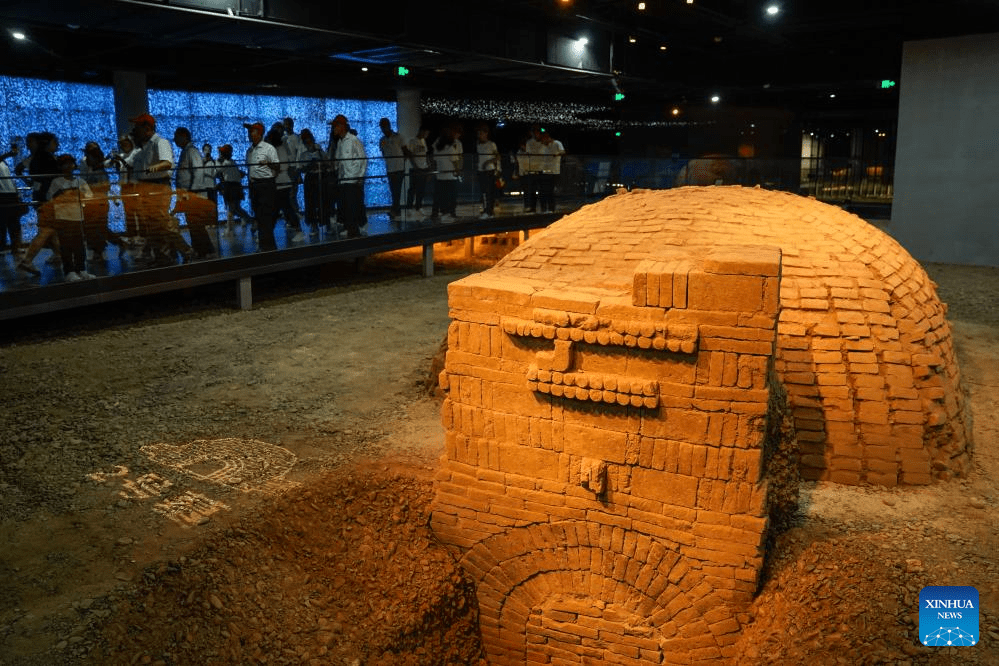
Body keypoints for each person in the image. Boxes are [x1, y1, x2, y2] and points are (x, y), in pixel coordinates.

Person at [130, 113, 190, 265]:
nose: (135, 129)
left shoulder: (160, 142)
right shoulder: (145, 146)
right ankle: (161, 256)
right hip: (148, 187)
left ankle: (186, 250)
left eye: (137, 127)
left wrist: (149, 170)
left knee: (162, 223)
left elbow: (167, 163)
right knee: (153, 225)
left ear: (147, 128)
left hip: (158, 185)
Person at [46, 154, 94, 281]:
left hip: (77, 216)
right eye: (65, 164)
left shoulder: (80, 181)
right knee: (66, 246)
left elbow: (89, 195)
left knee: (79, 245)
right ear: (60, 167)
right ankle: (69, 271)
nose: (68, 166)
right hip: (63, 217)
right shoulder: (56, 182)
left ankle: (81, 269)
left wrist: (80, 194)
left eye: (70, 163)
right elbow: (49, 198)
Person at [173, 127, 216, 258]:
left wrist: (192, 192)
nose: (174, 139)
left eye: (177, 136)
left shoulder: (191, 152)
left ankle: (204, 250)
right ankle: (203, 249)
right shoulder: (186, 152)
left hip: (192, 194)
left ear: (185, 136)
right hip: (188, 194)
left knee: (195, 224)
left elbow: (198, 172)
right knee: (194, 224)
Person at [78, 141, 126, 260]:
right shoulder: (84, 162)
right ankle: (116, 243)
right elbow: (83, 179)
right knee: (91, 226)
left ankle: (99, 251)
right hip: (89, 198)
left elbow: (105, 183)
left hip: (100, 198)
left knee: (99, 225)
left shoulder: (102, 163)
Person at [244, 121, 280, 251]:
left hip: (266, 184)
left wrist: (267, 164)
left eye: (252, 131)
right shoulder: (250, 151)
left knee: (266, 217)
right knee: (259, 217)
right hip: (254, 186)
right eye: (249, 131)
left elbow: (277, 166)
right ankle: (265, 245)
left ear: (259, 134)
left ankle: (268, 246)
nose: (249, 134)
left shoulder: (268, 148)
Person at [330, 114, 367, 238]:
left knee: (352, 205)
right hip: (343, 179)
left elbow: (363, 159)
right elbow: (338, 161)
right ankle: (350, 227)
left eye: (335, 126)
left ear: (342, 126)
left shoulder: (353, 140)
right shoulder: (340, 142)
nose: (333, 129)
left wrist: (360, 177)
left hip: (352, 178)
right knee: (346, 205)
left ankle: (354, 229)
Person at [268, 126, 304, 243]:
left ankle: (298, 230)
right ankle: (268, 232)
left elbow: (283, 166)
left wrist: (271, 167)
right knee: (281, 209)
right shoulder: (276, 149)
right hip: (279, 182)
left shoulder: (281, 149)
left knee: (284, 209)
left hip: (282, 182)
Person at [215, 144, 253, 236]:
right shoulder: (231, 162)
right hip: (235, 186)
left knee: (232, 209)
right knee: (235, 208)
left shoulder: (226, 163)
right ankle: (250, 221)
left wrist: (217, 161)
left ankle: (230, 229)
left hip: (231, 187)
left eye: (221, 152)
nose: (220, 154)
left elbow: (218, 170)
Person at [299, 128, 327, 236]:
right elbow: (301, 169)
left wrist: (320, 164)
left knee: (321, 201)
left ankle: (324, 222)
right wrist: (309, 166)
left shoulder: (320, 152)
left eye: (310, 141)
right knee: (310, 202)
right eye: (306, 142)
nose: (308, 144)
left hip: (320, 177)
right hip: (310, 178)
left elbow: (327, 163)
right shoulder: (303, 155)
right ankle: (313, 225)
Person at [432, 124, 462, 222]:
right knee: (451, 196)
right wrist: (458, 171)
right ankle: (450, 213)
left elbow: (435, 160)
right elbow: (455, 160)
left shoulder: (437, 147)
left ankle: (444, 213)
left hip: (440, 175)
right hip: (450, 175)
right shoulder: (450, 147)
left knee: (443, 196)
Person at [0, 140, 25, 257]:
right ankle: (3, 247)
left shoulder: (4, 162)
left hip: (10, 194)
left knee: (13, 222)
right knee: (3, 223)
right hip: (2, 195)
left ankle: (15, 247)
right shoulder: (3, 160)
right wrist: (9, 154)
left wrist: (16, 193)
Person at [378, 117, 405, 220]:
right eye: (381, 126)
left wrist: (402, 162)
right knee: (393, 190)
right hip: (390, 168)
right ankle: (396, 210)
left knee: (397, 190)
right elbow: (383, 153)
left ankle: (395, 210)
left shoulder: (398, 137)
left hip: (398, 168)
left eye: (384, 126)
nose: (383, 128)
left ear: (389, 125)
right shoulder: (382, 140)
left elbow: (404, 150)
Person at [404, 127, 431, 215]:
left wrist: (428, 166)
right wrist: (415, 166)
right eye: (425, 133)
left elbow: (425, 154)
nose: (426, 136)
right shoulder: (412, 141)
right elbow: (410, 154)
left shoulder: (423, 141)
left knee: (421, 189)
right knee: (412, 189)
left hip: (423, 168)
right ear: (421, 131)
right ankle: (409, 207)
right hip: (415, 169)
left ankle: (418, 207)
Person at [475, 123, 500, 218]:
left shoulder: (491, 144)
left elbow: (498, 157)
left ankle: (489, 211)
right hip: (481, 170)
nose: (479, 135)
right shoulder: (478, 145)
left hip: (489, 170)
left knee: (489, 191)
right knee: (484, 192)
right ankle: (487, 211)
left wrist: (488, 162)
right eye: (478, 133)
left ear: (486, 133)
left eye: (481, 133)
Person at [537, 131, 565, 213]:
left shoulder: (557, 143)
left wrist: (557, 154)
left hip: (553, 171)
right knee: (542, 191)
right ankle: (543, 208)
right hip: (544, 171)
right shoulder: (542, 146)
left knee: (550, 191)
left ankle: (551, 208)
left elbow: (563, 152)